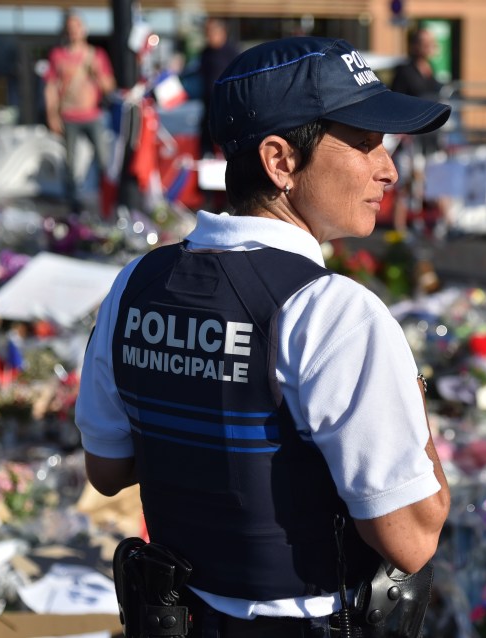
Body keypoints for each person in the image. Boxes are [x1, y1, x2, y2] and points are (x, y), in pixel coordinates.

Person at [75, 36, 451, 637]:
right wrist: (414, 398)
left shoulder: (137, 285)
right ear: (280, 162)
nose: (388, 168)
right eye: (362, 142)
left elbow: (108, 468)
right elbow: (411, 537)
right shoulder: (334, 311)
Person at [43, 11, 116, 215]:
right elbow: (50, 88)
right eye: (70, 27)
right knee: (70, 163)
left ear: (83, 29)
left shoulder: (96, 55)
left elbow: (109, 87)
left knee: (104, 161)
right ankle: (73, 208)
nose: (74, 31)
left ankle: (107, 201)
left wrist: (97, 73)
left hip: (92, 116)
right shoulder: (57, 55)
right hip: (69, 116)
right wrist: (52, 115)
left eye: (77, 26)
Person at [389, 28, 444, 232]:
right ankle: (399, 230)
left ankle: (438, 224)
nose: (428, 45)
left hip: (431, 137)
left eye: (430, 41)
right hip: (411, 137)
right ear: (414, 45)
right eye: (424, 41)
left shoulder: (431, 69)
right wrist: (402, 130)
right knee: (407, 184)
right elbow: (395, 101)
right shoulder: (405, 70)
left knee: (434, 182)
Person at [198, 17, 239, 158]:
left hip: (227, 102)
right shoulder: (205, 53)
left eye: (211, 32)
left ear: (222, 33)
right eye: (207, 33)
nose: (209, 37)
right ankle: (206, 156)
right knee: (206, 130)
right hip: (208, 101)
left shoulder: (231, 52)